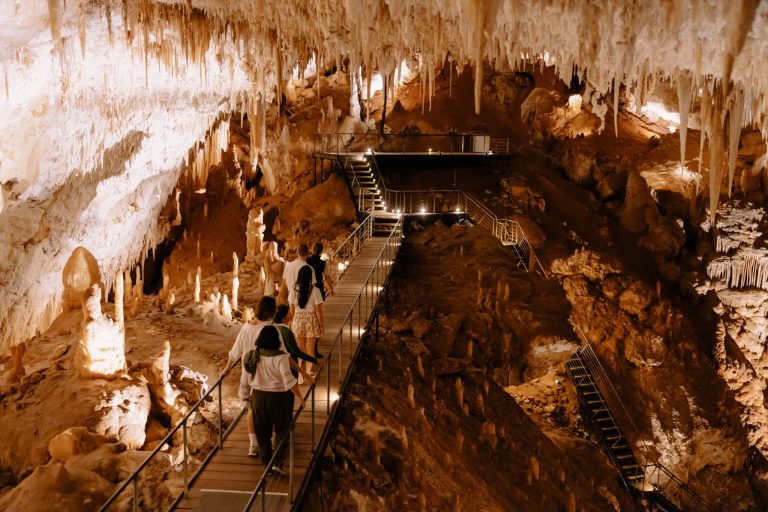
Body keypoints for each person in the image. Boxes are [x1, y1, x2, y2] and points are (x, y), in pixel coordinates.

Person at [222, 296, 309, 457]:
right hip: (272, 377)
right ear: (270, 311)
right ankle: (276, 445)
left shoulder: (246, 328)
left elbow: (235, 352)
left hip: (250, 374)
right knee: (276, 415)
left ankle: (254, 445)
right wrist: (301, 371)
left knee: (253, 411)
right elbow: (284, 355)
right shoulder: (272, 329)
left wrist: (227, 368)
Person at [248, 325, 304, 474]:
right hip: (277, 396)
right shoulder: (281, 357)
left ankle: (266, 462)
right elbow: (288, 379)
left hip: (258, 396)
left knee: (262, 429)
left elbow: (248, 374)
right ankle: (277, 461)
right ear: (276, 340)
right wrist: (300, 397)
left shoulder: (255, 354)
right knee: (282, 428)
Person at [289, 265, 324, 375]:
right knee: (310, 350)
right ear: (310, 277)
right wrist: (321, 325)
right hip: (311, 321)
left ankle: (299, 372)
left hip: (298, 320)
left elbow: (292, 309)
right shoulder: (316, 291)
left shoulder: (293, 290)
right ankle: (308, 372)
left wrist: (290, 324)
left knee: (300, 349)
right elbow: (318, 311)